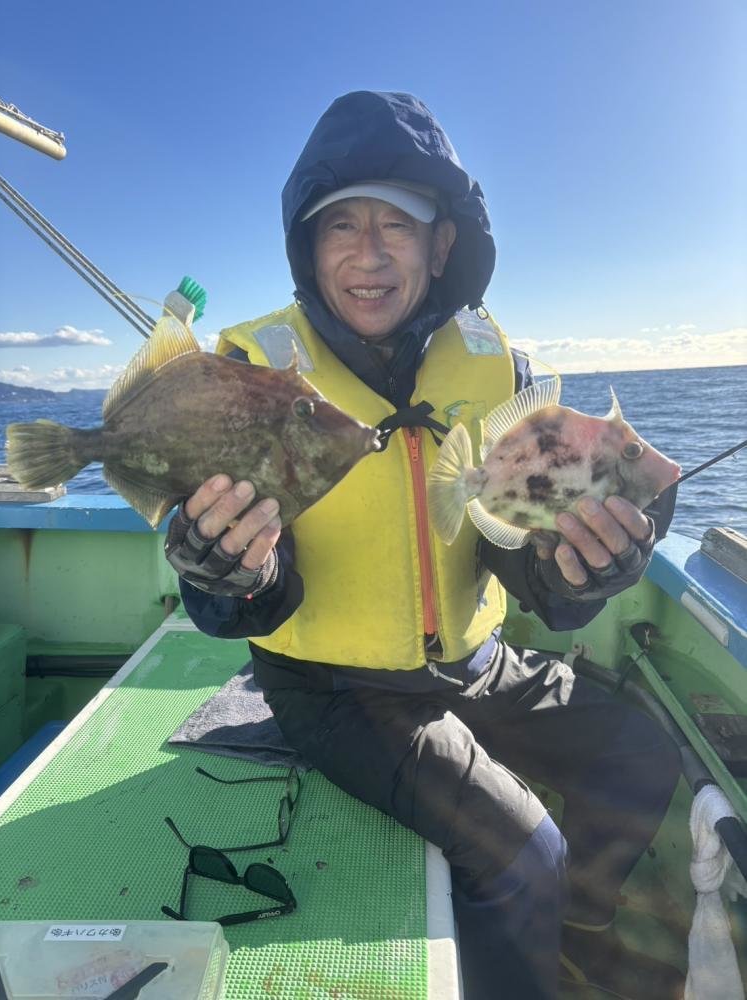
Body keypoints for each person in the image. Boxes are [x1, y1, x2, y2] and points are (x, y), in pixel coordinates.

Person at [165, 91, 683, 999]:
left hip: (478, 664)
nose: (368, 253)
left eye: (396, 225)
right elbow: (241, 591)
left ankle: (571, 927)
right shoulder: (249, 372)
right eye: (341, 225)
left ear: (441, 245)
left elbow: (518, 555)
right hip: (336, 690)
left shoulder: (497, 365)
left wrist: (580, 571)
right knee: (523, 852)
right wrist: (224, 570)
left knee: (643, 756)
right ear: (306, 246)